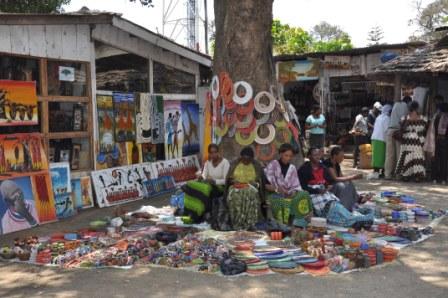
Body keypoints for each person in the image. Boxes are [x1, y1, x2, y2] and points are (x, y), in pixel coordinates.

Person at [298, 148, 373, 228]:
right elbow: (303, 186)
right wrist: (317, 190)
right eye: (315, 155)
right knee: (335, 208)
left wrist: (327, 187)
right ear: (309, 156)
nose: (318, 157)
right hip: (316, 195)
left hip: (326, 194)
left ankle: (354, 216)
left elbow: (329, 181)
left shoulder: (322, 167)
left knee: (337, 206)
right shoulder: (304, 169)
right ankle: (355, 219)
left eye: (319, 155)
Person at [264, 144, 312, 227]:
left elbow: (296, 185)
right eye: (286, 155)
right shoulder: (273, 165)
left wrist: (293, 192)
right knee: (282, 202)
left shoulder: (292, 168)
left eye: (290, 156)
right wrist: (277, 189)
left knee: (305, 194)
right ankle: (284, 225)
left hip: (289, 194)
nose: (288, 158)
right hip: (275, 194)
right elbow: (266, 185)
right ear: (280, 154)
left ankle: (300, 222)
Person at [183, 144, 230, 223]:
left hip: (219, 187)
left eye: (215, 152)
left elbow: (226, 180)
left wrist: (214, 181)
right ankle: (189, 213)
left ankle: (197, 215)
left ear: (219, 152)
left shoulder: (225, 163)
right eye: (211, 153)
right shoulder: (208, 163)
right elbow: (204, 175)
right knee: (190, 185)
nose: (213, 154)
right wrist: (201, 177)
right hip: (208, 184)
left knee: (205, 189)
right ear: (209, 153)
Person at [225, 147, 270, 230]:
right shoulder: (234, 164)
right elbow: (228, 180)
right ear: (241, 157)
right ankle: (236, 222)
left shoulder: (256, 165)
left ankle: (250, 222)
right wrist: (234, 182)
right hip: (235, 186)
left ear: (251, 159)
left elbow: (261, 181)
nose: (245, 161)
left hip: (251, 187)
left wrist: (252, 183)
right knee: (234, 194)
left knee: (250, 193)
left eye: (248, 159)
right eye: (244, 159)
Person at [322, 146, 366, 211]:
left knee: (348, 182)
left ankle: (356, 200)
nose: (343, 158)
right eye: (341, 156)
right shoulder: (327, 164)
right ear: (335, 156)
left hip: (335, 185)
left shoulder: (336, 164)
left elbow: (342, 177)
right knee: (341, 185)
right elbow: (336, 179)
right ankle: (345, 206)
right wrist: (353, 177)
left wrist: (351, 178)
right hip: (329, 187)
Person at [395, 101, 428, 182]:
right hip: (418, 141)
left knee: (407, 157)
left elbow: (401, 129)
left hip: (407, 141)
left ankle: (406, 175)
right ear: (417, 108)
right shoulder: (424, 118)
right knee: (418, 158)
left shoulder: (404, 118)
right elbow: (426, 129)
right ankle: (418, 177)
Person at [384, 96, 412, 179]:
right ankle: (398, 175)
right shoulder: (405, 106)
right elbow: (405, 120)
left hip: (390, 131)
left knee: (389, 154)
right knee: (399, 154)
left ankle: (387, 174)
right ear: (408, 102)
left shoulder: (395, 105)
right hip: (398, 132)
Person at [425, 102, 448, 184]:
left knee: (435, 159)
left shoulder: (436, 117)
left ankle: (434, 178)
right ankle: (443, 179)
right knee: (444, 160)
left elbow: (431, 130)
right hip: (445, 141)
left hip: (436, 140)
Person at [371, 104, 392, 177]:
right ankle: (383, 172)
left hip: (374, 138)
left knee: (376, 156)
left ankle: (376, 171)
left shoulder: (378, 117)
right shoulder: (387, 118)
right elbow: (386, 130)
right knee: (383, 156)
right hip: (382, 139)